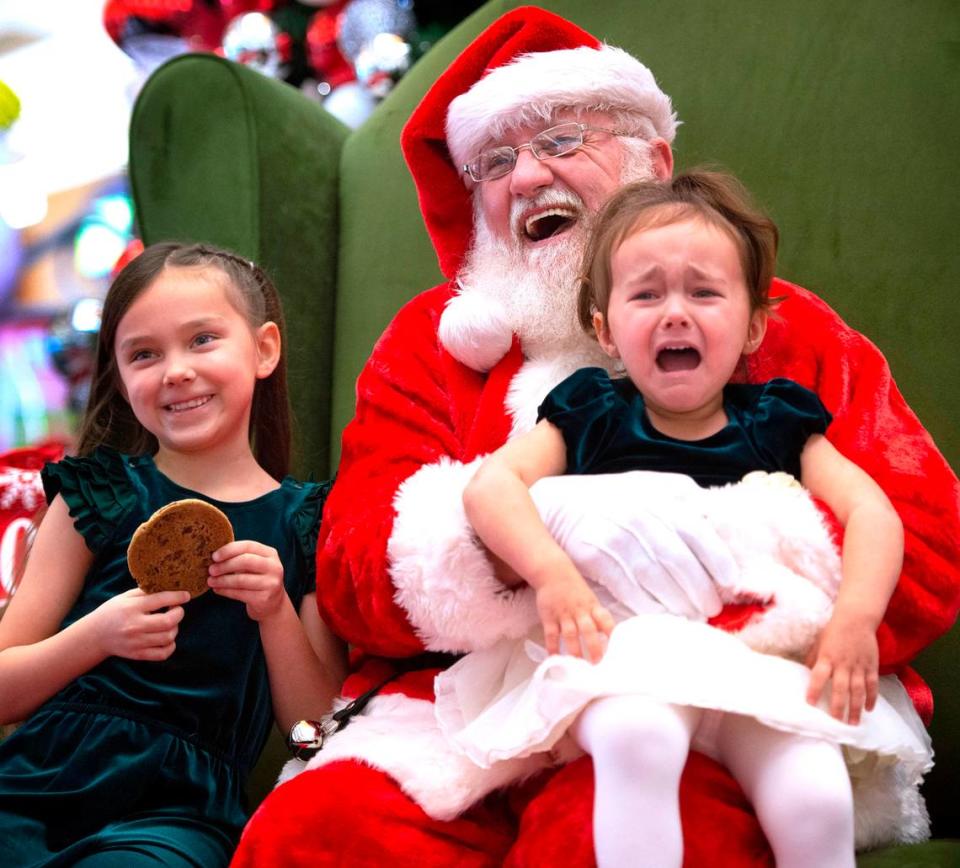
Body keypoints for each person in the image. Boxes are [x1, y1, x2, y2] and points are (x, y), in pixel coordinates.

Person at [231, 8, 959, 867]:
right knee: (313, 833)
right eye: (495, 163)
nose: (528, 174)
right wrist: (519, 554)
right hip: (454, 719)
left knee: (620, 822)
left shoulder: (762, 323)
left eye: (563, 137)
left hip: (704, 695)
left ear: (652, 162)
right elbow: (350, 570)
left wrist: (709, 549)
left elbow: (924, 535)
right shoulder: (431, 348)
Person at [443, 169, 932, 868]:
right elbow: (491, 489)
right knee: (639, 737)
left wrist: (856, 619)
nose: (676, 313)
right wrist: (552, 575)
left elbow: (871, 511)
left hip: (751, 666)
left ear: (754, 323)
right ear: (605, 329)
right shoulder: (592, 412)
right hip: (627, 659)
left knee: (814, 792)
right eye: (646, 294)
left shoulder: (776, 421)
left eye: (704, 291)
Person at [0, 242, 347, 867]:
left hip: (179, 817)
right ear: (119, 374)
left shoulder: (306, 524)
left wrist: (274, 613)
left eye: (203, 339)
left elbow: (315, 733)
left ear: (264, 348)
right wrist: (96, 636)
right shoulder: (96, 496)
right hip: (31, 787)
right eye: (144, 354)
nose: (175, 370)